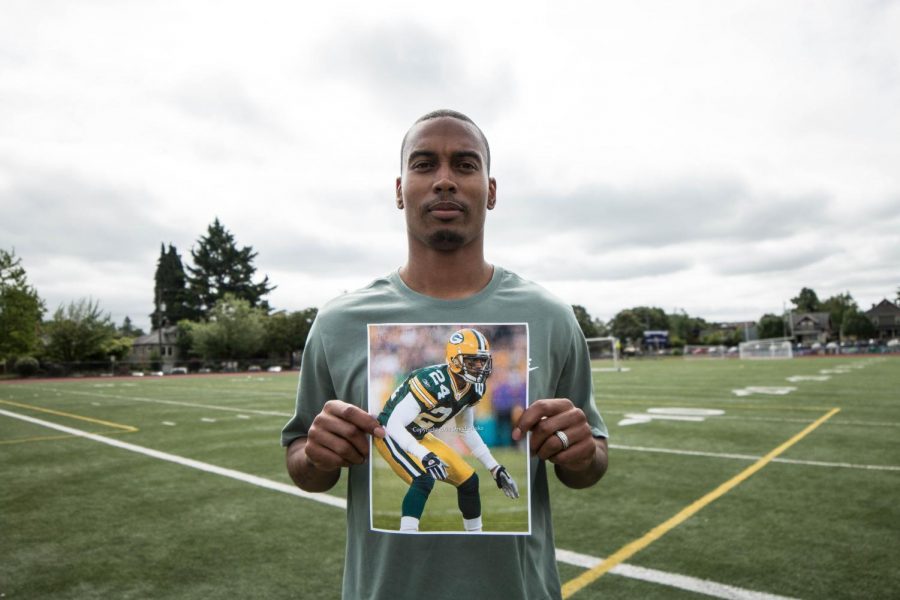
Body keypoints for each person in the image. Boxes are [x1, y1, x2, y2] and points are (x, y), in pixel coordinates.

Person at [283, 109, 609, 600]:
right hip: (398, 461)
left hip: (518, 589)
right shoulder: (338, 323)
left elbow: (584, 464)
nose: (443, 181)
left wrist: (578, 455)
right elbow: (304, 462)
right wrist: (317, 456)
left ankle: (473, 523)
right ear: (399, 190)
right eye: (423, 165)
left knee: (469, 482)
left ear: (491, 190)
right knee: (426, 477)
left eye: (464, 164)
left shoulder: (552, 317)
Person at [374, 327, 519, 533]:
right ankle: (406, 538)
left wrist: (494, 467)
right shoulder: (432, 381)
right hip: (391, 434)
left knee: (470, 481)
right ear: (455, 360)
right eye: (472, 361)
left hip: (420, 435)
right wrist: (425, 456)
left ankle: (476, 538)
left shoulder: (474, 387)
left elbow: (466, 430)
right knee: (423, 478)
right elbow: (395, 425)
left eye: (482, 360)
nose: (479, 366)